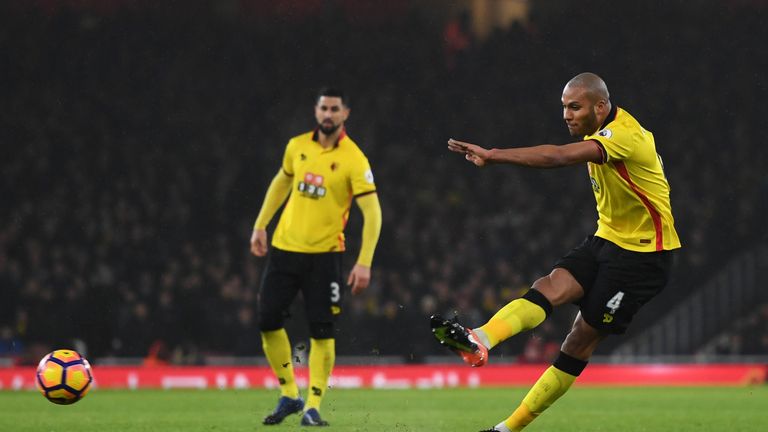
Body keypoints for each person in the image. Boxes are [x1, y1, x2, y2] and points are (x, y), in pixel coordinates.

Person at [431, 72, 680, 432]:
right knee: (549, 285)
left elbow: (559, 157)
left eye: (575, 107)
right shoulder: (601, 132)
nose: (567, 114)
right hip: (607, 239)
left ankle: (508, 429)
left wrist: (495, 155)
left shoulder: (625, 135)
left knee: (579, 338)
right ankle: (479, 339)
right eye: (564, 107)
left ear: (601, 106)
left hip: (643, 258)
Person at [251, 87, 382, 426]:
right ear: (315, 111)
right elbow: (281, 183)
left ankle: (313, 405)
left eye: (334, 109)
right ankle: (289, 394)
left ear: (345, 114)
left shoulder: (354, 158)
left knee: (322, 332)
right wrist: (260, 225)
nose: (328, 114)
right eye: (323, 108)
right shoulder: (297, 147)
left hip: (325, 257)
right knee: (267, 320)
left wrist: (364, 261)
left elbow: (373, 213)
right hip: (284, 250)